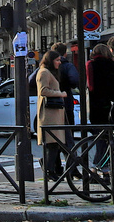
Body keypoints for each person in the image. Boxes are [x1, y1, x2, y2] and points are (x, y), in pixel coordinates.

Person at [34, 50, 68, 180]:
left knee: (54, 143)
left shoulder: (48, 72)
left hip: (54, 112)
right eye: (57, 60)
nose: (59, 62)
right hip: (49, 113)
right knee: (52, 143)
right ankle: (49, 171)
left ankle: (49, 168)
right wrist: (61, 94)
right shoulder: (44, 72)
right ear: (50, 60)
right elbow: (43, 91)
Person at [85, 43, 114, 126]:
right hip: (112, 103)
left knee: (98, 130)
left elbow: (89, 86)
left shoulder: (91, 65)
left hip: (95, 104)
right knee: (111, 127)